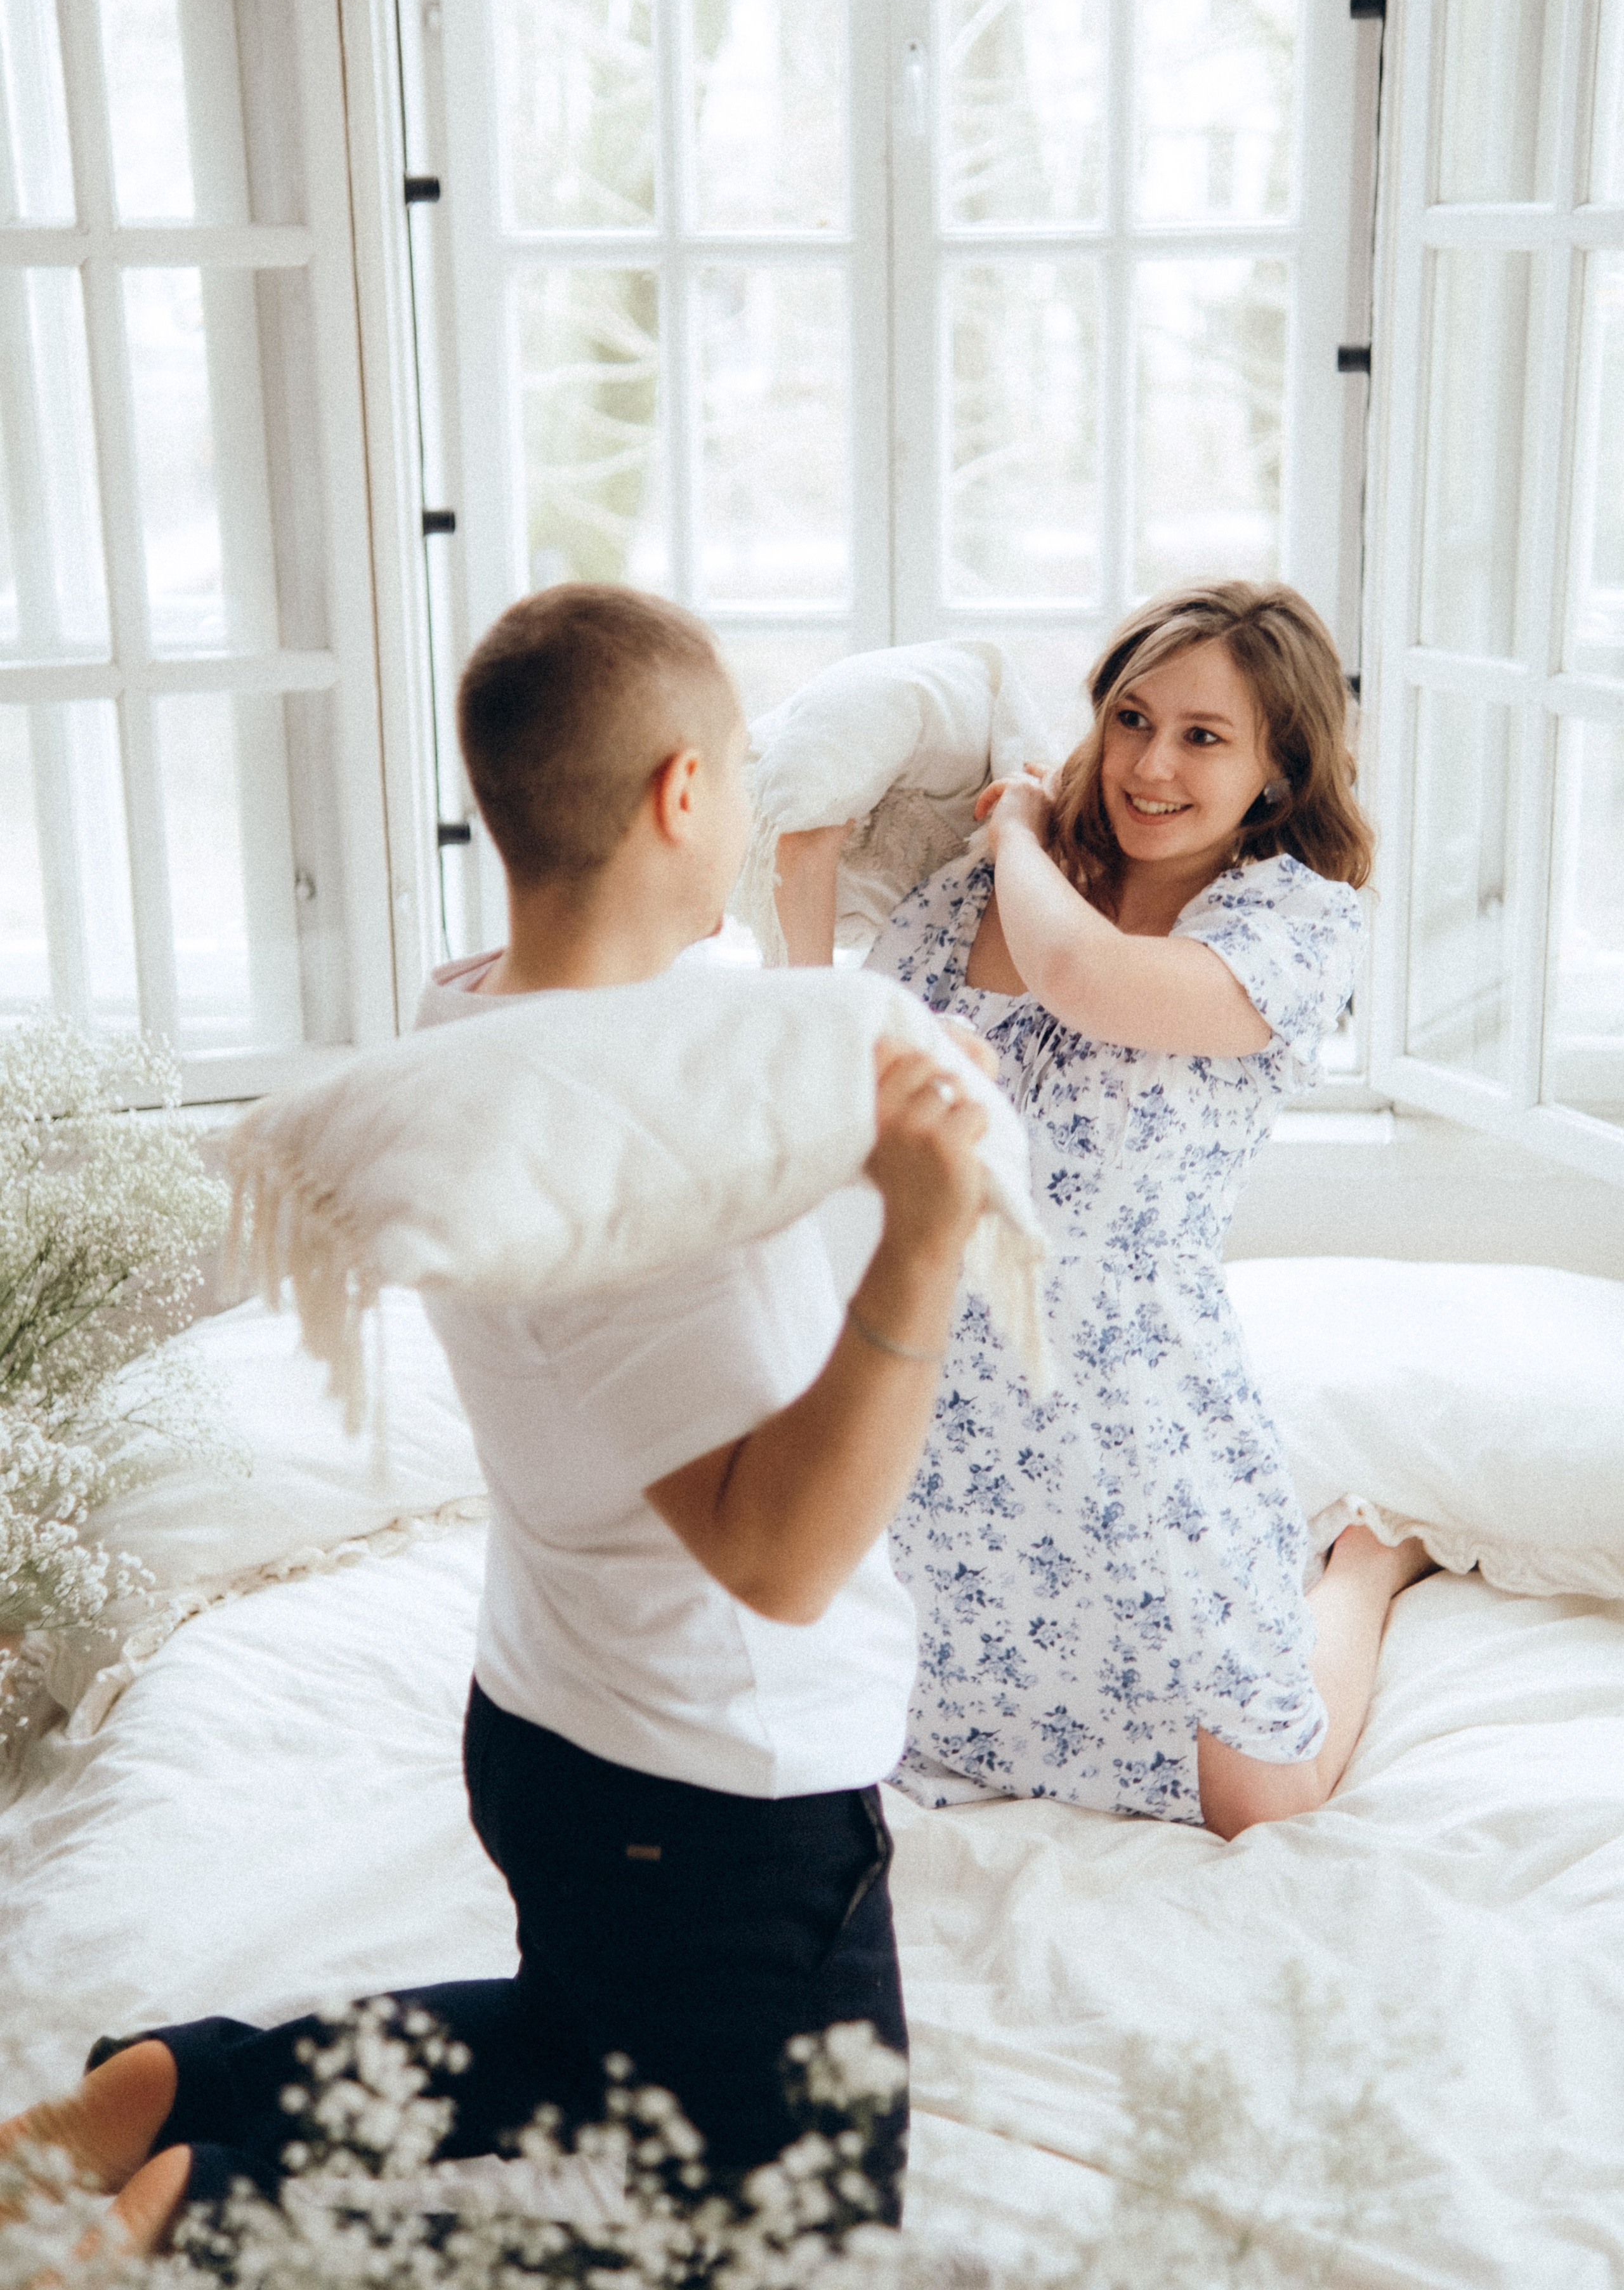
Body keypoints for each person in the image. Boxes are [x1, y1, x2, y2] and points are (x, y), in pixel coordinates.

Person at [1, 586, 991, 2253]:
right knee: (798, 2245)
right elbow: (776, 1557)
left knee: (580, 2046)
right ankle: (218, 2222)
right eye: (743, 773)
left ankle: (176, 2093)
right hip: (712, 1789)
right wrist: (927, 1234)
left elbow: (726, 1011)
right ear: (682, 794)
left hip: (557, 1729)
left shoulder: (481, 1026)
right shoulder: (622, 1154)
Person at [776, 582, 1432, 1843]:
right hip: (939, 1415)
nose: (1149, 764)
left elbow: (1082, 975)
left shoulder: (1292, 925)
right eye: (1131, 718)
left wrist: (1020, 832)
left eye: (1202, 736)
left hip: (1139, 1412)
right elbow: (835, 1097)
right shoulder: (959, 904)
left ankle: (1361, 1563)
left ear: (1278, 770)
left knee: (1263, 1799)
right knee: (889, 1727)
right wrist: (804, 868)